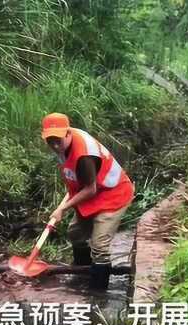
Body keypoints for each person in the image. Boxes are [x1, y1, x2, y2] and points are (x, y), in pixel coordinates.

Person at [41, 112, 134, 289]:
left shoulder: (84, 155)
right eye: (50, 141)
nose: (54, 145)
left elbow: (90, 189)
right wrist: (63, 206)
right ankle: (82, 274)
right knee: (75, 233)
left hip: (113, 193)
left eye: (57, 141)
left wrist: (63, 209)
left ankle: (97, 295)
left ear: (68, 133)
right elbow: (77, 181)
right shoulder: (62, 145)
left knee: (99, 246)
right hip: (92, 190)